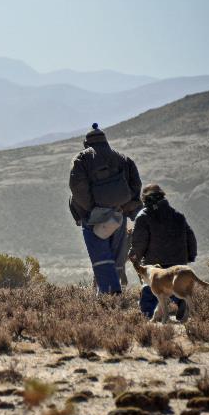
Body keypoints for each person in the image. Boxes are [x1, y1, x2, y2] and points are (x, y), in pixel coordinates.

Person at [69, 123, 142, 294]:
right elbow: (135, 185)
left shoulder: (81, 159)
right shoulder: (124, 159)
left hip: (93, 218)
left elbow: (77, 187)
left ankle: (109, 294)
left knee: (100, 257)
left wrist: (92, 209)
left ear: (87, 143)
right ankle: (115, 294)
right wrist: (123, 207)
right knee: (117, 256)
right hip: (118, 216)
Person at [129, 184, 197, 320]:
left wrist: (134, 255)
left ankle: (147, 316)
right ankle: (182, 303)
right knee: (176, 287)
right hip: (178, 263)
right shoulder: (178, 215)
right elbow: (190, 237)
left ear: (145, 199)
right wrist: (190, 256)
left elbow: (139, 242)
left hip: (155, 264)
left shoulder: (144, 216)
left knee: (150, 289)